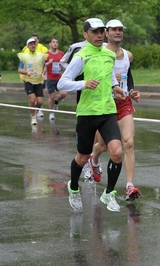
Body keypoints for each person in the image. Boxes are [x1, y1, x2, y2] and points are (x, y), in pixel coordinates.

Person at [58, 18, 126, 212]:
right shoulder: (81, 56)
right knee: (82, 156)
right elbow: (62, 83)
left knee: (117, 151)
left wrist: (115, 87)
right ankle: (73, 187)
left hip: (107, 110)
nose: (98, 35)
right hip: (87, 113)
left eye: (100, 32)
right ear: (85, 34)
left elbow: (109, 74)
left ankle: (109, 194)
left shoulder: (108, 54)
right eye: (94, 32)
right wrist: (83, 84)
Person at [83, 19, 141, 201]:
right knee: (104, 146)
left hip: (123, 102)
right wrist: (109, 79)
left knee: (129, 143)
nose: (118, 32)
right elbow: (90, 77)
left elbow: (128, 77)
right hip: (105, 103)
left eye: (120, 30)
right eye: (114, 30)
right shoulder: (100, 53)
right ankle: (93, 159)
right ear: (106, 33)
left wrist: (132, 91)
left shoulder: (128, 56)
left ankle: (130, 185)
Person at [17, 38, 47, 125]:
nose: (33, 45)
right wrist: (27, 72)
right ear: (28, 46)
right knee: (32, 99)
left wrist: (43, 72)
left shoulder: (41, 56)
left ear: (36, 45)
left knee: (40, 101)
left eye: (34, 44)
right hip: (28, 81)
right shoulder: (24, 57)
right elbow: (19, 69)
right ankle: (33, 117)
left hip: (38, 81)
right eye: (31, 44)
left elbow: (45, 66)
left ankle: (33, 109)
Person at [45, 37, 67, 120]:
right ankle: (51, 112)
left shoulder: (61, 53)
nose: (55, 44)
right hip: (50, 78)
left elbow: (64, 64)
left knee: (64, 94)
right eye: (53, 42)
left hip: (59, 77)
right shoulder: (46, 54)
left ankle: (56, 102)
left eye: (56, 42)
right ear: (50, 44)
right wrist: (48, 63)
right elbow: (42, 65)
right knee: (51, 96)